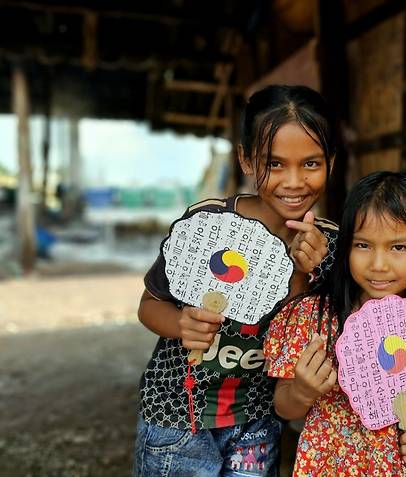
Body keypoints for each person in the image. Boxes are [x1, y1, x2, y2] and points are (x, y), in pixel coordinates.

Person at [133, 85, 340, 477]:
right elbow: (148, 304)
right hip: (179, 416)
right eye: (274, 164)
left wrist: (304, 270)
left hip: (258, 422)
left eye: (310, 163)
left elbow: (302, 330)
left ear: (330, 161)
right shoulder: (207, 225)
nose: (293, 182)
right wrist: (181, 324)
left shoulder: (332, 248)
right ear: (246, 159)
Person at [264, 171, 406, 476]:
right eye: (363, 245)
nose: (378, 264)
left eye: (398, 247)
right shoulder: (314, 320)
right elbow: (284, 406)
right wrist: (301, 391)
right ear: (346, 246)